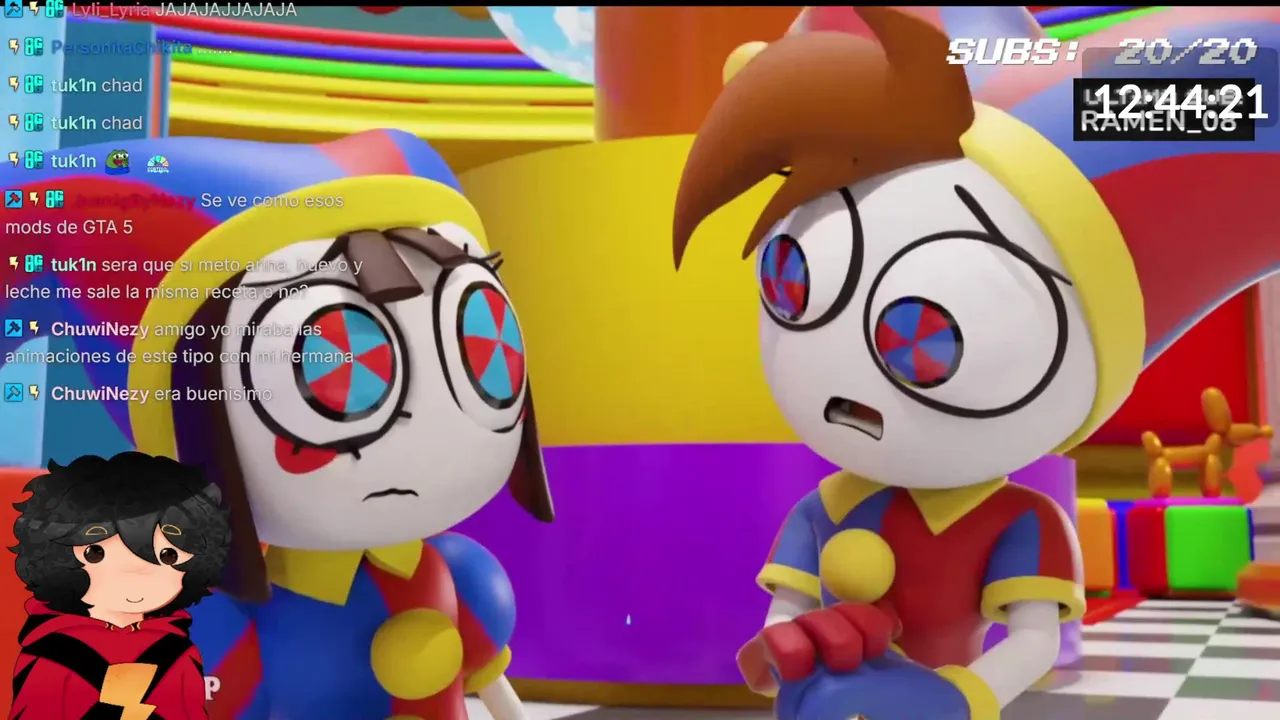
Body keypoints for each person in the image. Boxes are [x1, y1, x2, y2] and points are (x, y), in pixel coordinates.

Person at [672, 6, 1280, 720]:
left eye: (927, 334)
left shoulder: (1020, 520)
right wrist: (788, 645)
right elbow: (787, 606)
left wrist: (962, 697)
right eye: (790, 283)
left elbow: (1033, 640)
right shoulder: (825, 510)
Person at [9, 452, 231, 719]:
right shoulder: (50, 654)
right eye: (96, 553)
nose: (136, 573)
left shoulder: (179, 654)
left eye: (168, 556)